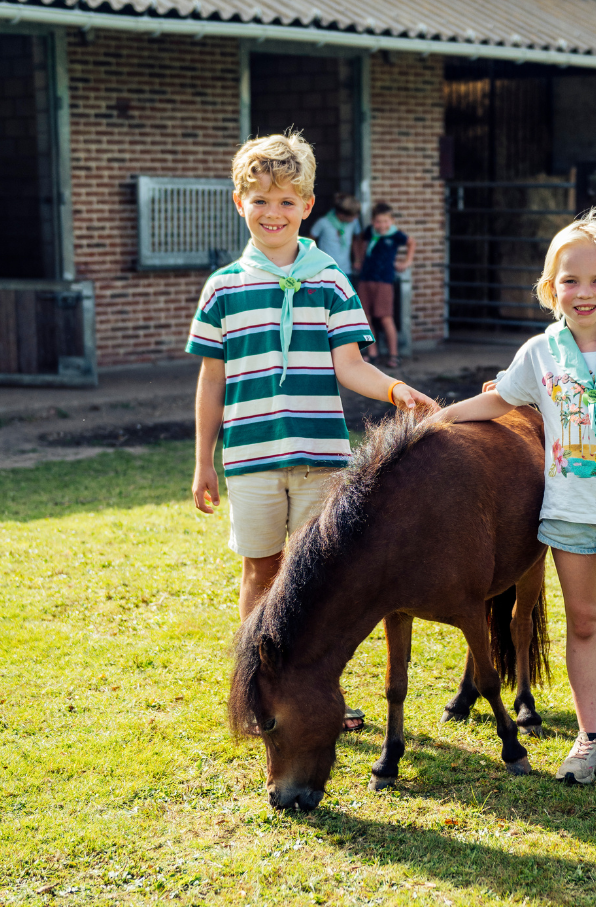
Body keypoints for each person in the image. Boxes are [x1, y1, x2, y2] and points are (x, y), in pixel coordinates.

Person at [187, 134, 436, 731]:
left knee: (318, 583)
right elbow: (211, 382)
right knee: (261, 571)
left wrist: (396, 390)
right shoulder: (222, 286)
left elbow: (349, 366)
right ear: (238, 202)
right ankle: (262, 689)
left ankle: (320, 691)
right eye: (260, 201)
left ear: (308, 205)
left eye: (286, 201)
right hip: (250, 459)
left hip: (323, 458)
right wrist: (204, 462)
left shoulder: (330, 280)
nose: (273, 213)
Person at [432, 211, 596, 801]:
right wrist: (440, 417)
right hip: (569, 514)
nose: (584, 292)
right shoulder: (539, 355)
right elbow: (499, 404)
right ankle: (590, 738)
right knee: (584, 623)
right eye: (570, 280)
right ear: (551, 289)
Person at [353, 202, 415, 370]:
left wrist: (407, 261)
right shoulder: (369, 232)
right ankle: (373, 352)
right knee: (365, 316)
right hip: (366, 278)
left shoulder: (396, 235)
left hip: (384, 281)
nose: (382, 225)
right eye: (379, 222)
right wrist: (358, 259)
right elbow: (358, 241)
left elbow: (411, 243)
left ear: (392, 221)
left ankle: (394, 354)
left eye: (386, 221)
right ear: (373, 221)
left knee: (385, 317)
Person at [309, 192, 361, 277]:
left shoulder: (354, 223)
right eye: (353, 216)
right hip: (326, 270)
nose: (356, 218)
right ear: (341, 214)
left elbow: (356, 240)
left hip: (346, 270)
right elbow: (310, 240)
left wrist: (357, 260)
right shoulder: (323, 222)